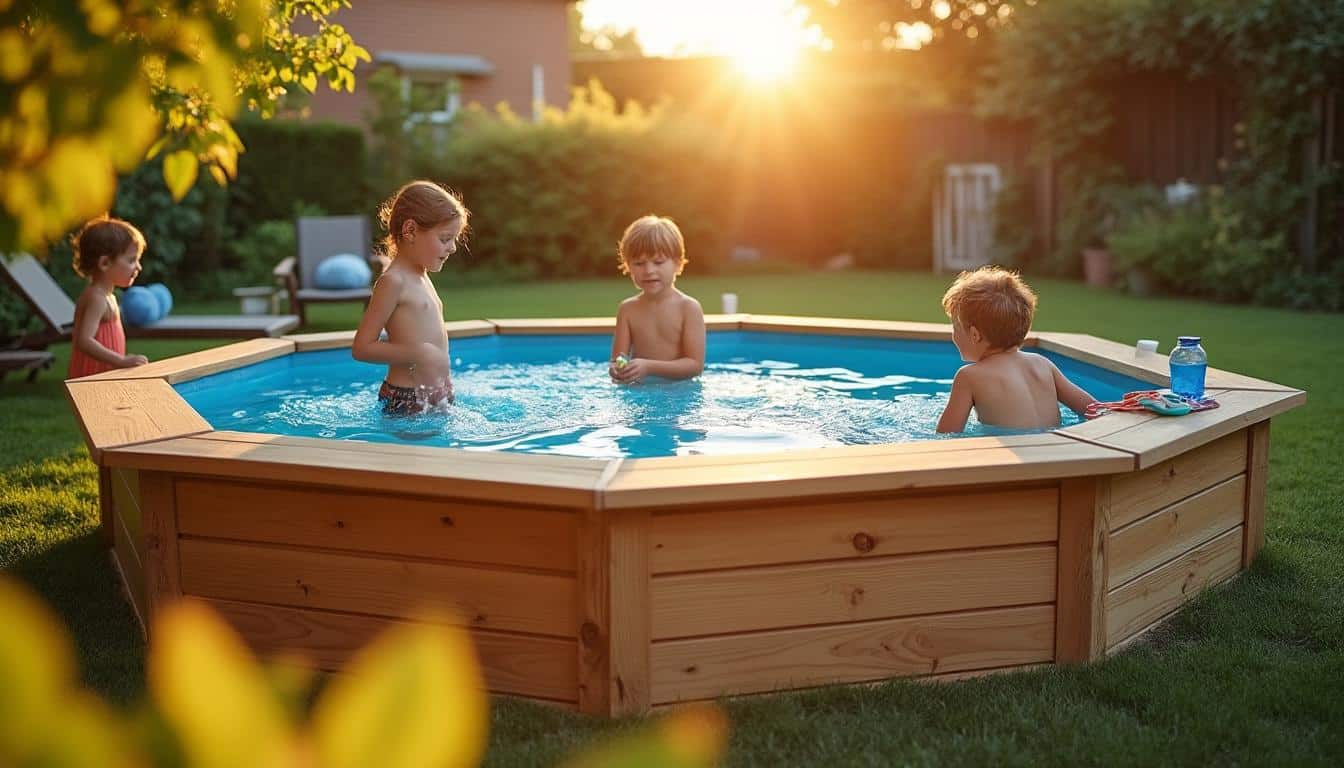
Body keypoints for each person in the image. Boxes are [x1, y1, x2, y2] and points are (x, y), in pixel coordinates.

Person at [352, 180, 468, 415]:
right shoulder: (393, 282)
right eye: (445, 239)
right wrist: (418, 353)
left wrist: (443, 381)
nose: (453, 248)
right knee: (420, 453)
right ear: (411, 230)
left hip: (435, 395)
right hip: (406, 399)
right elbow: (362, 348)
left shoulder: (422, 275)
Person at [936, 266, 1096, 433]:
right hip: (1054, 450)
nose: (953, 335)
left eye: (955, 327)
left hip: (1012, 456)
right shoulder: (1042, 364)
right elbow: (1095, 409)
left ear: (975, 335)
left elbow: (945, 436)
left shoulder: (969, 376)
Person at [609, 215, 705, 383]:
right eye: (639, 263)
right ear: (628, 266)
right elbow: (619, 357)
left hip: (678, 395)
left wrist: (649, 367)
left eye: (658, 262)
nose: (648, 270)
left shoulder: (688, 308)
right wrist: (618, 368)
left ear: (678, 263)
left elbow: (695, 365)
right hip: (640, 394)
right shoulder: (627, 309)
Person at [68, 216, 150, 378]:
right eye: (132, 260)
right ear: (105, 263)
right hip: (91, 377)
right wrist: (121, 360)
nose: (138, 267)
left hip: (104, 374)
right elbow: (84, 340)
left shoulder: (108, 296)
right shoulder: (96, 298)